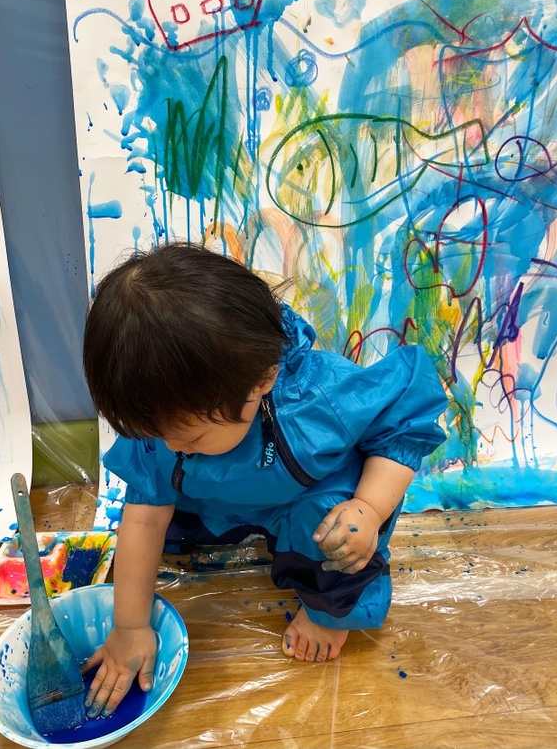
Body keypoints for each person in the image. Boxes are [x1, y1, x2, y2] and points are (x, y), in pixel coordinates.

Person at [81, 243, 447, 717]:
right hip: (218, 498)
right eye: (156, 433)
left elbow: (403, 418)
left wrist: (370, 507)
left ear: (262, 382)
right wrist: (130, 627)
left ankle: (330, 613)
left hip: (305, 494)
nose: (170, 445)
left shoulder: (316, 398)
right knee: (154, 527)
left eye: (188, 436)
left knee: (336, 531)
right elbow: (145, 516)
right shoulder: (166, 425)